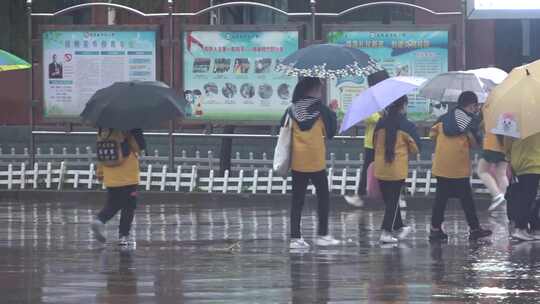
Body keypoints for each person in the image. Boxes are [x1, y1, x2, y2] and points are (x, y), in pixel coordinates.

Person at [284, 77, 339, 250]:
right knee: (323, 197)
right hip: (316, 161)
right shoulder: (321, 110)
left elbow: (283, 128)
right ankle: (322, 234)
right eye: (319, 89)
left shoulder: (292, 109)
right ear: (313, 90)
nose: (320, 92)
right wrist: (332, 112)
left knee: (297, 200)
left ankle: (295, 238)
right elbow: (330, 132)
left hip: (298, 162)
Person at [429, 91, 492, 241]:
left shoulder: (442, 119)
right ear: (471, 106)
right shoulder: (470, 122)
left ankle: (435, 230)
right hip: (458, 168)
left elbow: (432, 135)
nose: (476, 109)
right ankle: (475, 229)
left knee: (440, 200)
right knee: (467, 200)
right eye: (476, 106)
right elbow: (475, 144)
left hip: (442, 166)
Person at [373, 96, 420, 243]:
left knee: (390, 201)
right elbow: (416, 148)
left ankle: (399, 227)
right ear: (404, 105)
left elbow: (374, 143)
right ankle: (386, 233)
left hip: (381, 168)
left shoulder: (380, 123)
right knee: (393, 201)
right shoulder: (406, 125)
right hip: (396, 169)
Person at [91, 128, 146, 247]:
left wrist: (100, 172)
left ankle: (99, 220)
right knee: (128, 207)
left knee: (112, 203)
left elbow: (102, 154)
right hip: (128, 177)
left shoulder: (103, 131)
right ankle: (123, 236)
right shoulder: (129, 129)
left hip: (110, 177)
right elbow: (138, 148)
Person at [504, 133, 540, 241]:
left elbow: (507, 142)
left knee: (530, 196)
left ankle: (534, 227)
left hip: (522, 162)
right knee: (529, 197)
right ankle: (521, 228)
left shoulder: (515, 120)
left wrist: (509, 161)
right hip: (530, 162)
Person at [476, 124, 509, 212]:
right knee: (501, 173)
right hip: (506, 145)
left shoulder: (491, 112)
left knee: (482, 171)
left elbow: (482, 125)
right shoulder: (511, 113)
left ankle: (497, 195)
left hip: (492, 144)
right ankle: (502, 199)